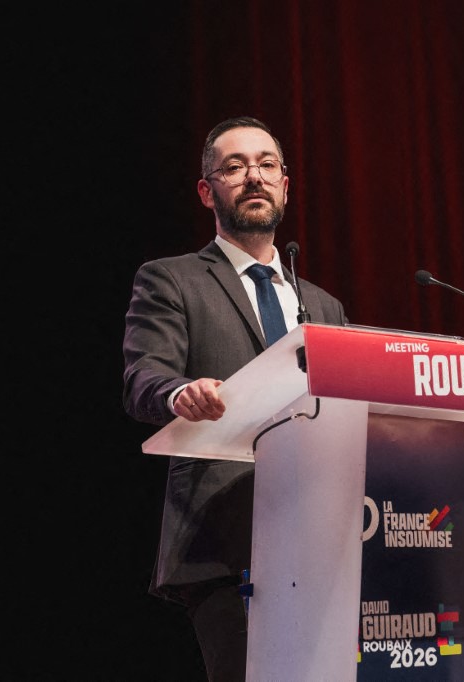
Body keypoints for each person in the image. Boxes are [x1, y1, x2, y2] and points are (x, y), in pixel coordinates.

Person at [122, 115, 347, 680]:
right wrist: (179, 393)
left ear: (285, 186)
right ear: (207, 191)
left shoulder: (322, 306)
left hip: (324, 537)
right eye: (235, 167)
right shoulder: (171, 280)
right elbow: (144, 376)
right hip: (224, 539)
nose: (255, 178)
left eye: (267, 165)